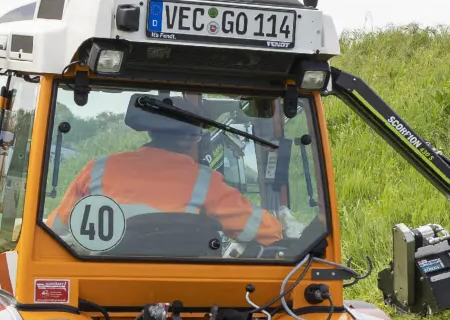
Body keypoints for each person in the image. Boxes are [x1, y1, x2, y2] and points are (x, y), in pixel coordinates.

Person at [49, 92, 283, 249]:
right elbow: (266, 232)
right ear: (192, 138)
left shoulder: (98, 169)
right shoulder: (202, 182)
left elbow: (54, 232)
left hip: (98, 287)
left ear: (151, 132)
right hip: (183, 296)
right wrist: (283, 223)